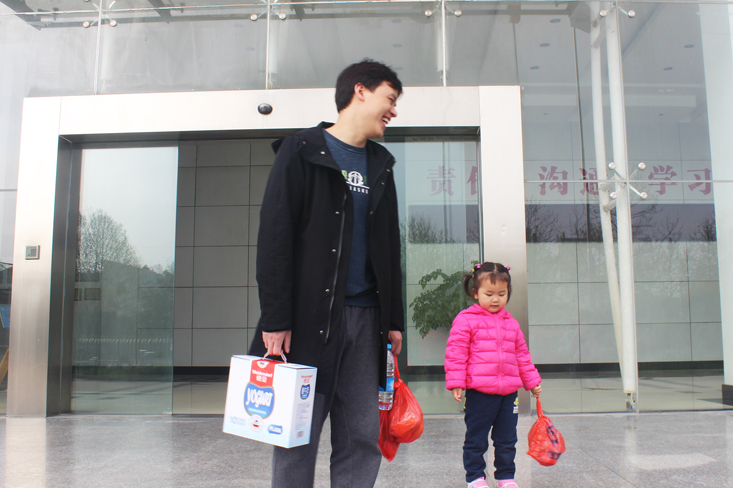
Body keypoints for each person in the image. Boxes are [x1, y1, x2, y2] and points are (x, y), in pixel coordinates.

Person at [248, 59, 405, 488]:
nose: (393, 110)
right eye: (390, 99)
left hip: (366, 320)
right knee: (296, 435)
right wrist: (275, 319)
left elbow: (390, 246)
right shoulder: (301, 150)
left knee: (361, 437)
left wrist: (392, 319)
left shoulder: (381, 164)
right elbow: (275, 239)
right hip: (307, 321)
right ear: (360, 91)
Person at [445, 262, 543, 488]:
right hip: (480, 393)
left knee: (507, 439)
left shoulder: (512, 323)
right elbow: (456, 353)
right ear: (475, 293)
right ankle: (475, 477)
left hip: (509, 394)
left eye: (501, 293)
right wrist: (456, 382)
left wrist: (532, 381)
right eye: (489, 294)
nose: (496, 299)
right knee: (476, 438)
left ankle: (505, 477)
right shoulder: (466, 319)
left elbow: (522, 356)